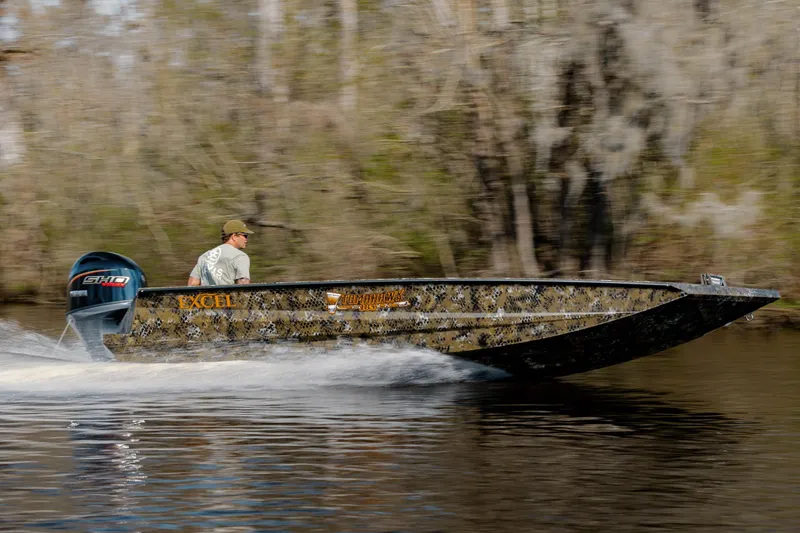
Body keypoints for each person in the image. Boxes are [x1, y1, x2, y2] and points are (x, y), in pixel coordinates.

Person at [187, 220, 254, 286]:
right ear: (234, 236)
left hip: (206, 296)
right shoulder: (240, 256)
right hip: (227, 297)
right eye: (245, 235)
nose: (246, 239)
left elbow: (192, 284)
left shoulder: (205, 256)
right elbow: (243, 286)